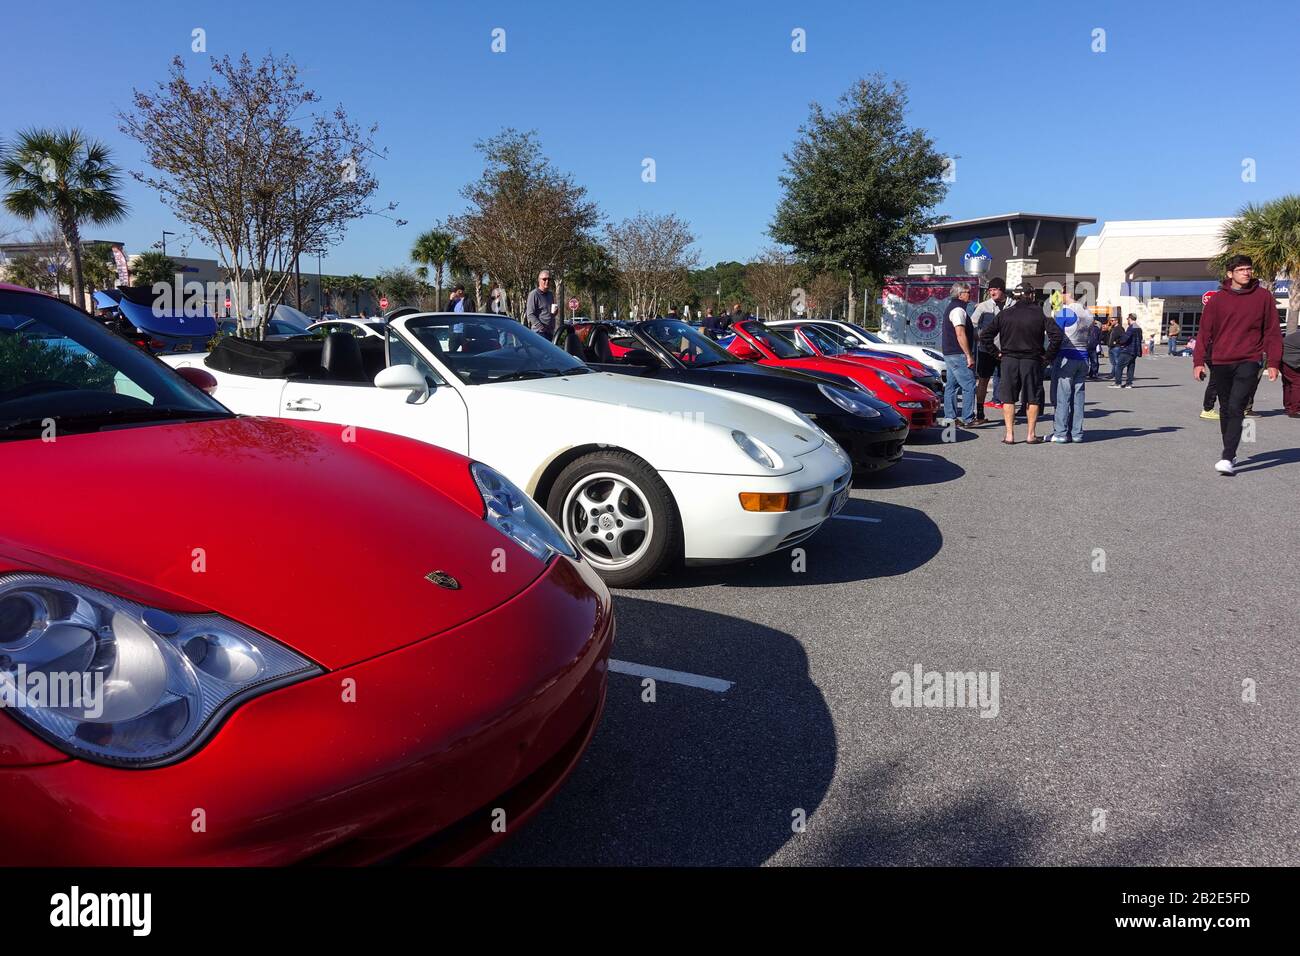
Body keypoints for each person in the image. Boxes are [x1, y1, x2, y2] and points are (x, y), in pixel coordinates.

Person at [1192, 254, 1283, 475]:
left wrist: (1273, 362)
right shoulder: (1217, 300)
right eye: (1241, 269)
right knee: (1225, 408)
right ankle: (1230, 450)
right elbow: (1205, 332)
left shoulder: (1263, 297)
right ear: (1230, 274)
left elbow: (1272, 330)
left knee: (1236, 406)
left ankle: (1227, 456)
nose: (1246, 272)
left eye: (1248, 269)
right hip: (1221, 361)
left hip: (1249, 360)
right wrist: (1198, 361)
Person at [979, 281, 1063, 444]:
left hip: (1008, 359)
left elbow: (985, 336)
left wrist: (997, 354)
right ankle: (1030, 434)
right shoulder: (1041, 313)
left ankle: (1009, 435)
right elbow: (1057, 337)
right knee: (1033, 398)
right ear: (1031, 294)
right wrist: (1047, 357)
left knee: (1008, 398)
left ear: (1015, 296)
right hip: (1031, 360)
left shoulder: (1005, 313)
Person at [1050, 288, 1093, 442]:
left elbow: (1054, 335)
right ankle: (1077, 433)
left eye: (1061, 292)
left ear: (1068, 293)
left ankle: (1060, 433)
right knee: (1078, 397)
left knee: (1062, 397)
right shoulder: (1088, 313)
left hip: (1066, 356)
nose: (1059, 295)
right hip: (1083, 357)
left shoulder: (1065, 311)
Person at [940, 282, 977, 426]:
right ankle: (968, 418)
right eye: (968, 292)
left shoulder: (953, 307)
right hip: (958, 353)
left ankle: (950, 417)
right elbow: (960, 333)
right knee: (969, 385)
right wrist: (968, 355)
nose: (970, 294)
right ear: (960, 294)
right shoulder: (958, 310)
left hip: (949, 352)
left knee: (952, 385)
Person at [971, 277, 1007, 421]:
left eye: (995, 289)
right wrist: (980, 339)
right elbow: (973, 325)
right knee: (983, 380)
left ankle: (1007, 411)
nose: (992, 292)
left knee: (1007, 381)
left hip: (1005, 350)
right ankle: (979, 412)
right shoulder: (983, 307)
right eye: (990, 290)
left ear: (1002, 290)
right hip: (986, 350)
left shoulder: (1012, 305)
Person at [1108, 315, 1141, 388]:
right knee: (1131, 367)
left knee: (1119, 366)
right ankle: (1129, 384)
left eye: (1127, 319)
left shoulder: (1131, 327)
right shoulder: (1138, 327)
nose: (1127, 321)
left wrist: (1119, 342)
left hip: (1128, 350)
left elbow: (1125, 338)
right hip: (1135, 351)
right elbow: (1140, 339)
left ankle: (1118, 383)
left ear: (1130, 319)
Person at [526, 270, 557, 339]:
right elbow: (530, 314)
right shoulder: (534, 294)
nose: (547, 281)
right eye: (544, 279)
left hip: (550, 332)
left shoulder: (550, 294)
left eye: (549, 279)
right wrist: (541, 327)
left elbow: (549, 313)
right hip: (539, 333)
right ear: (539, 280)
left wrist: (554, 313)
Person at [1282, 326, 1300, 417]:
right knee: (1297, 383)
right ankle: (1295, 410)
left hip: (1284, 360)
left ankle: (1288, 407)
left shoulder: (1296, 335)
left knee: (1288, 384)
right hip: (1291, 361)